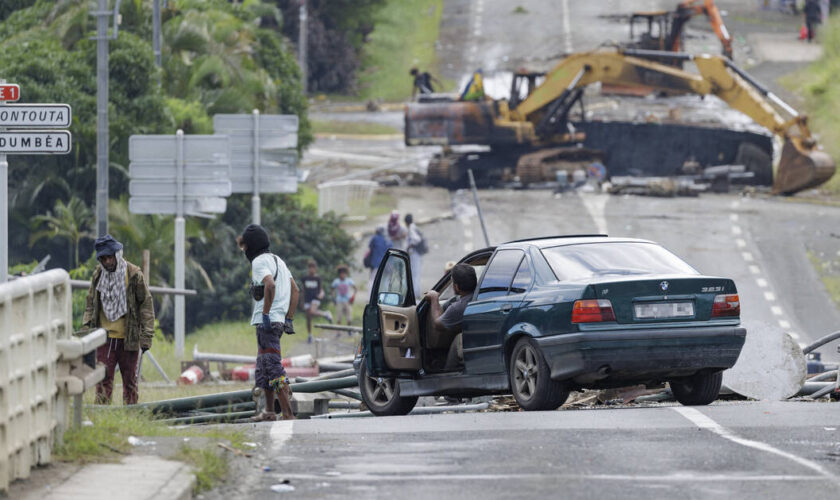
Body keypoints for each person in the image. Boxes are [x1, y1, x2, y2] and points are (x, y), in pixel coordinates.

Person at [83, 235, 154, 405]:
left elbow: (146, 304)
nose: (107, 261)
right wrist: (86, 331)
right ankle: (101, 417)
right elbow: (90, 304)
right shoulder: (98, 275)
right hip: (104, 338)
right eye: (103, 258)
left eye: (110, 257)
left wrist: (146, 336)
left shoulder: (134, 274)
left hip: (128, 338)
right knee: (102, 381)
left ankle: (131, 416)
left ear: (117, 254)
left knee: (130, 382)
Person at [238, 224, 298, 421]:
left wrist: (265, 313)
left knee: (272, 366)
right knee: (263, 367)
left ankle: (287, 413)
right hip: (278, 321)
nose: (244, 251)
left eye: (244, 246)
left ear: (251, 246)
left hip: (268, 323)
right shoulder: (278, 260)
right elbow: (295, 290)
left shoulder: (259, 262)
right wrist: (288, 317)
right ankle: (269, 411)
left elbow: (270, 284)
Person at [423, 264, 477, 369]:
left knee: (458, 339)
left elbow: (437, 324)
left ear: (456, 286)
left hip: (470, 343)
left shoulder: (459, 307)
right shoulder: (477, 296)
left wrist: (434, 298)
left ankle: (448, 373)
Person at [302, 260, 333, 344]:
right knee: (308, 317)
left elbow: (321, 289)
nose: (311, 270)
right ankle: (310, 335)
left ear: (316, 269)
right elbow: (303, 290)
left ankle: (326, 314)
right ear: (308, 269)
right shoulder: (305, 278)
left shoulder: (317, 278)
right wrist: (302, 301)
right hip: (307, 300)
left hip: (315, 298)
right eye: (310, 268)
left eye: (313, 268)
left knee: (312, 311)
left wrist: (321, 294)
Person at [366, 225, 391, 296]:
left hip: (375, 263)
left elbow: (370, 246)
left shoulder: (374, 238)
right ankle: (385, 296)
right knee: (385, 280)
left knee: (372, 280)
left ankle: (369, 297)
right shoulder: (387, 240)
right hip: (385, 264)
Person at [405, 213, 424, 299]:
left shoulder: (411, 229)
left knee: (415, 273)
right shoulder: (413, 227)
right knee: (416, 273)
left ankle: (416, 293)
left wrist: (410, 245)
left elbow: (417, 239)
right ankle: (416, 292)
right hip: (417, 253)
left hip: (415, 254)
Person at [331, 265, 357, 329]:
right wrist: (333, 298)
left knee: (349, 316)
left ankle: (349, 329)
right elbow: (332, 289)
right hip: (339, 300)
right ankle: (339, 331)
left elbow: (355, 288)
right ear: (339, 274)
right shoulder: (336, 281)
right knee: (339, 317)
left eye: (344, 273)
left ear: (346, 274)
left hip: (347, 301)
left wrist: (353, 297)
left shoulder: (349, 281)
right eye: (341, 273)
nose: (343, 275)